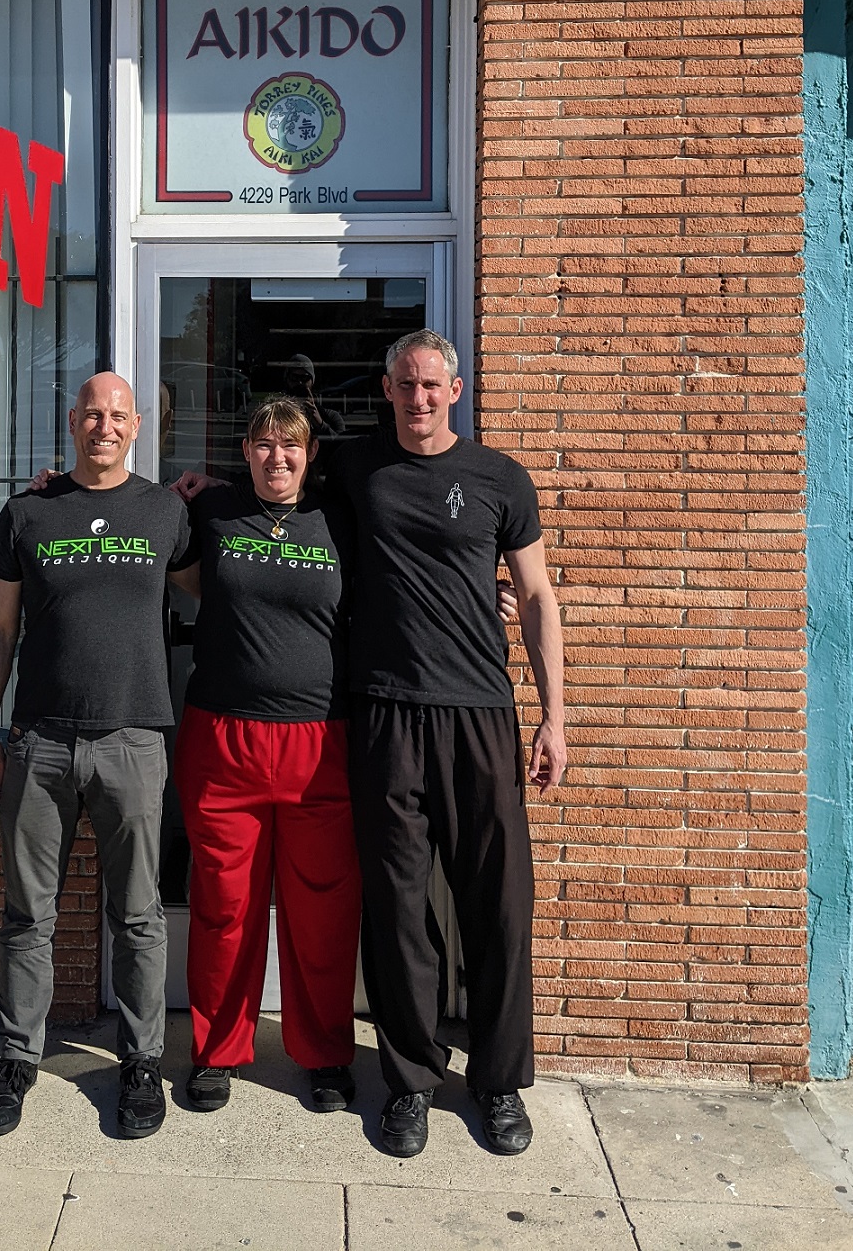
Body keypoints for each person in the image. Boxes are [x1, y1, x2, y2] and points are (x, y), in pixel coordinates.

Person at [332, 329, 567, 1160]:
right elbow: (270, 492)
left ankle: (498, 1081)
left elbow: (536, 594)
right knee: (398, 908)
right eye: (405, 384)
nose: (418, 397)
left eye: (431, 384)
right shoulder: (354, 468)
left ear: (455, 390)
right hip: (386, 713)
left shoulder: (501, 478)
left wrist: (554, 716)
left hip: (479, 714)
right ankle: (410, 1080)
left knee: (497, 903)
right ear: (386, 388)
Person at [0, 371, 195, 1141]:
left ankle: (139, 1062)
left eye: (118, 415)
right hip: (40, 740)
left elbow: (230, 589)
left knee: (137, 913)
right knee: (27, 912)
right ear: (71, 421)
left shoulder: (166, 511)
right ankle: (16, 1056)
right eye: (92, 413)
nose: (104, 424)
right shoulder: (28, 511)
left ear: (138, 426)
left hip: (135, 740)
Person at [172, 397, 360, 1116]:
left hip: (321, 741)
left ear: (309, 454)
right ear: (243, 450)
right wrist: (54, 488)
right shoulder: (210, 511)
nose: (275, 456)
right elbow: (124, 516)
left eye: (289, 445)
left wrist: (487, 590)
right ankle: (217, 1050)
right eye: (261, 443)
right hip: (223, 737)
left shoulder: (340, 521)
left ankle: (325, 1053)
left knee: (322, 911)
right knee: (225, 907)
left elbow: (414, 574)